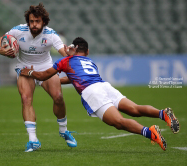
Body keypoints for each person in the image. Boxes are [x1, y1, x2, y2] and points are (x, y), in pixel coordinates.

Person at [20, 37, 180, 151]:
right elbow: (73, 79)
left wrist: (28, 71)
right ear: (87, 51)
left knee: (118, 122)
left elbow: (43, 76)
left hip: (92, 92)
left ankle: (150, 132)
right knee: (135, 109)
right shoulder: (90, 62)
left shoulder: (66, 60)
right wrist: (54, 81)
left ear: (72, 49)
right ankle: (162, 114)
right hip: (104, 86)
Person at [0, 3, 77, 152]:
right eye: (31, 21)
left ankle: (63, 130)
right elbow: (3, 38)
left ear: (44, 22)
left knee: (58, 97)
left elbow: (63, 51)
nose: (34, 24)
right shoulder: (19, 30)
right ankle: (33, 140)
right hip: (24, 68)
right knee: (26, 99)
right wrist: (1, 50)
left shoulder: (51, 34)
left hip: (45, 67)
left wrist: (70, 55)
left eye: (37, 21)